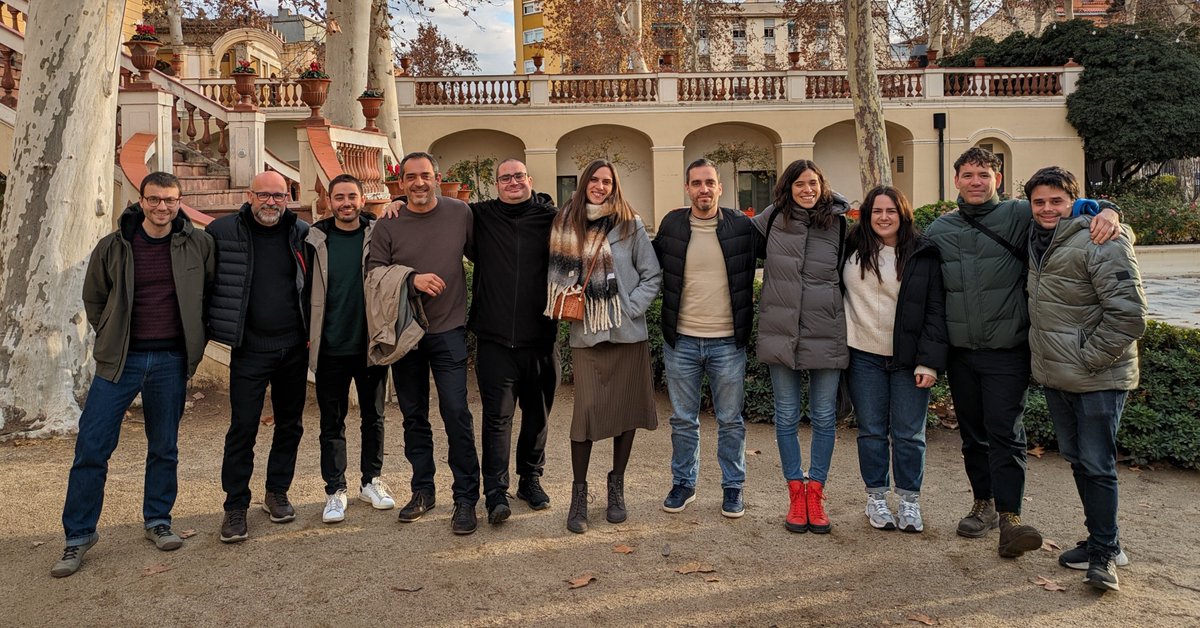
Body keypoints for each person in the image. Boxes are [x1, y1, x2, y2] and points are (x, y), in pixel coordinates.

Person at [925, 147, 1120, 558]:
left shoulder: (1020, 214)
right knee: (972, 435)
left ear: (997, 179)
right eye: (968, 174)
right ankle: (984, 503)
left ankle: (1011, 515)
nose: (976, 181)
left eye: (984, 174)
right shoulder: (939, 229)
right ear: (955, 180)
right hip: (961, 353)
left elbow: (1073, 214)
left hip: (1007, 350)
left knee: (1005, 432)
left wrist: (1110, 211)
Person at [52, 172, 215, 577]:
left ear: (180, 203)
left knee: (164, 446)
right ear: (141, 201)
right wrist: (112, 333)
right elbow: (95, 297)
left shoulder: (198, 244)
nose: (163, 207)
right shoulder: (114, 246)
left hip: (171, 361)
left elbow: (208, 292)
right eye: (155, 199)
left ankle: (158, 520)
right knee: (92, 447)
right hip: (118, 362)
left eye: (171, 200)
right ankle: (78, 536)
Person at [1024, 166, 1146, 591]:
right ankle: (1100, 539)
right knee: (1080, 461)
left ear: (1074, 201)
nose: (1046, 208)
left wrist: (1086, 357)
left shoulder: (1103, 239)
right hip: (1059, 376)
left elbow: (1129, 315)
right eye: (1039, 201)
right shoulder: (1037, 239)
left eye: (1056, 200)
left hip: (1098, 375)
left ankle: (1106, 553)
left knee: (1097, 464)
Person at [546, 159, 661, 534]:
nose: (599, 186)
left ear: (615, 186)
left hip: (629, 335)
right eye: (593, 180)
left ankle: (616, 486)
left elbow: (652, 274)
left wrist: (629, 306)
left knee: (626, 411)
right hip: (588, 336)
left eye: (606, 181)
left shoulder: (631, 224)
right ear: (583, 184)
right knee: (587, 415)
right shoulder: (567, 223)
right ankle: (579, 494)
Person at [368, 152, 481, 535]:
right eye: (410, 177)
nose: (419, 183)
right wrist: (411, 278)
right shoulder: (388, 223)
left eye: (426, 176)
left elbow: (483, 252)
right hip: (406, 333)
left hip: (448, 330)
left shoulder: (459, 213)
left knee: (456, 414)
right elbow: (373, 274)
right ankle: (423, 490)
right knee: (414, 417)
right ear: (400, 183)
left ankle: (466, 498)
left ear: (437, 178)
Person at [207, 170, 310, 543]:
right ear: (249, 195)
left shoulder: (301, 233)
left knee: (290, 425)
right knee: (242, 428)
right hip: (249, 349)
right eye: (264, 195)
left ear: (288, 198)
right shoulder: (222, 233)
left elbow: (351, 228)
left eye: (279, 196)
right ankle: (235, 506)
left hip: (293, 348)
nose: (271, 202)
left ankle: (276, 492)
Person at [652, 158, 756, 519]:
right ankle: (684, 483)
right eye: (696, 183)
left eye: (710, 182)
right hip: (681, 342)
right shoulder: (672, 225)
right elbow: (647, 265)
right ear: (687, 188)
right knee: (683, 419)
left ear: (720, 187)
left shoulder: (741, 226)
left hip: (727, 342)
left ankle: (733, 487)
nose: (704, 189)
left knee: (730, 420)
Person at [842, 186, 947, 534]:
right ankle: (876, 497)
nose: (884, 217)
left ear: (903, 214)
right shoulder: (850, 247)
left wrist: (929, 362)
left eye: (891, 211)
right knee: (871, 431)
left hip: (908, 359)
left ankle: (909, 501)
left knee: (909, 433)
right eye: (876, 211)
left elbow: (935, 310)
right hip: (862, 355)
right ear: (866, 215)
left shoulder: (922, 253)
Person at [752, 159, 849, 535]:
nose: (807, 190)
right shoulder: (772, 219)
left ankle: (816, 492)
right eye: (799, 185)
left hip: (826, 330)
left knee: (824, 417)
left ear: (822, 185)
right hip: (781, 329)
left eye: (813, 183)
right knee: (787, 416)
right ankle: (796, 492)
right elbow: (739, 242)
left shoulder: (839, 224)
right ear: (787, 188)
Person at [468, 159, 559, 525]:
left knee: (537, 415)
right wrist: (397, 204)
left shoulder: (550, 217)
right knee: (497, 419)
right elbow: (436, 210)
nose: (512, 182)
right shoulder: (480, 216)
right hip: (494, 340)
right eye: (505, 178)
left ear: (529, 180)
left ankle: (530, 480)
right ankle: (494, 492)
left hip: (540, 337)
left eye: (518, 176)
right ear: (496, 185)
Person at [305, 174, 393, 524]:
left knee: (374, 417)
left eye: (352, 196)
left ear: (362, 199)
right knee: (332, 421)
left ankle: (371, 481)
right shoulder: (313, 239)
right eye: (339, 197)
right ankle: (334, 489)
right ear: (329, 200)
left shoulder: (378, 234)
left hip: (369, 345)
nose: (346, 203)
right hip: (329, 348)